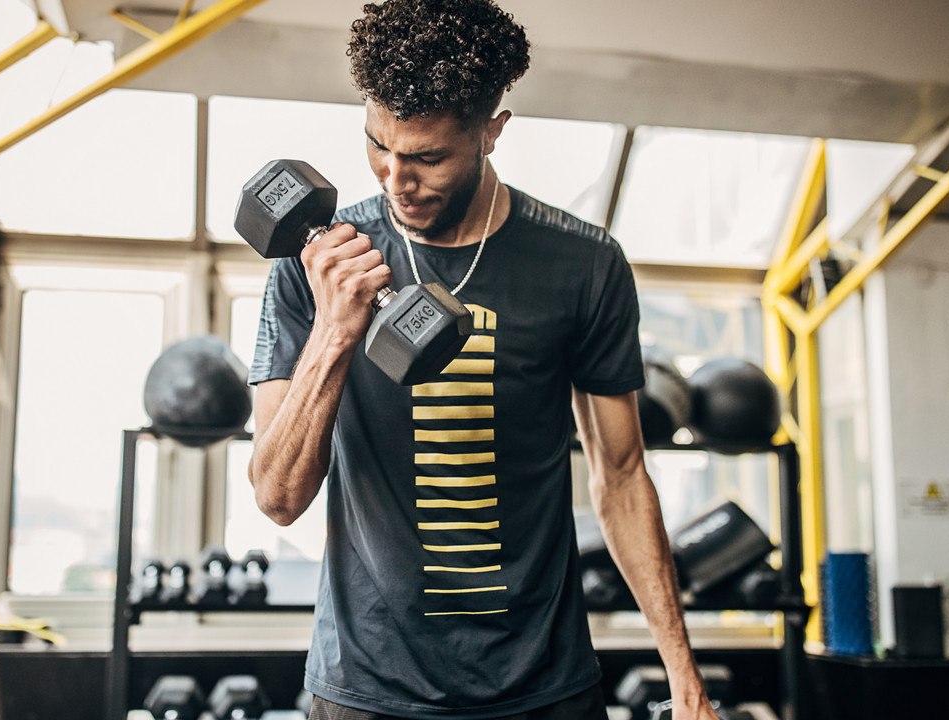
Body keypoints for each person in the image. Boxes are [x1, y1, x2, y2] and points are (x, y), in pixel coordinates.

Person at [249, 1, 717, 718]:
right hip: (369, 686)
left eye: (427, 157)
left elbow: (620, 476)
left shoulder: (583, 265)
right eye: (379, 145)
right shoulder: (318, 262)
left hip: (544, 685)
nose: (394, 181)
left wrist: (684, 678)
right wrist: (336, 330)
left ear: (492, 131)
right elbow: (278, 498)